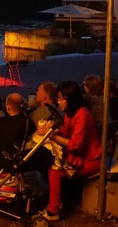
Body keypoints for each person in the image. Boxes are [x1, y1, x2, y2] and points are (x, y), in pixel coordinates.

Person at [40, 81, 101, 222]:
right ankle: (56, 204)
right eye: (58, 98)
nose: (59, 102)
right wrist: (54, 129)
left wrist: (53, 135)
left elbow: (75, 143)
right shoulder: (71, 113)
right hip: (82, 156)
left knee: (54, 172)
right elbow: (67, 131)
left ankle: (53, 209)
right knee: (52, 165)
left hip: (92, 159)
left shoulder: (82, 115)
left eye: (62, 99)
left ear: (71, 99)